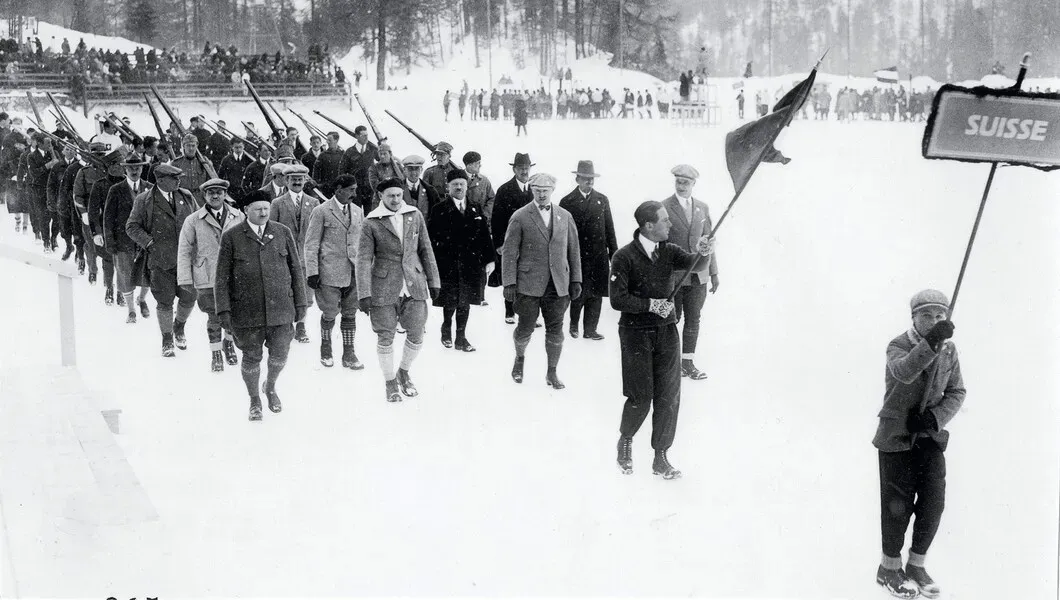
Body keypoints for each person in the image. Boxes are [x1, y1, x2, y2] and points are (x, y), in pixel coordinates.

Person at [610, 200, 715, 480]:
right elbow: (617, 299)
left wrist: (704, 252)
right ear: (648, 226)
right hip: (635, 333)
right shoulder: (624, 257)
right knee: (640, 396)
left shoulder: (669, 250)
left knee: (668, 397)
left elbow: (695, 264)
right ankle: (626, 441)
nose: (670, 224)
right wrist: (650, 305)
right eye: (665, 220)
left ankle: (660, 457)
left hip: (667, 332)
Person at [873, 290, 964, 600]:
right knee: (896, 508)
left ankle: (916, 565)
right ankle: (889, 569)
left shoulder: (949, 351)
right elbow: (904, 371)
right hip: (897, 439)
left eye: (941, 316)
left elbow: (957, 392)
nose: (935, 320)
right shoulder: (898, 345)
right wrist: (930, 344)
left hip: (929, 439)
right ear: (914, 318)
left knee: (932, 504)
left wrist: (934, 418)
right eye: (927, 315)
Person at [215, 190, 307, 420]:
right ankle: (254, 399)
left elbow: (296, 269)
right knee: (251, 357)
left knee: (280, 356)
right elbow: (221, 277)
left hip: (280, 309)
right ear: (246, 210)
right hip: (247, 311)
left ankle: (271, 386)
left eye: (266, 208)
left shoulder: (282, 232)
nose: (264, 212)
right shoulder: (232, 236)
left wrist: (301, 304)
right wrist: (224, 310)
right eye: (258, 208)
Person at [356, 178, 440, 402]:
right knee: (386, 336)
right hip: (383, 286)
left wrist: (434, 281)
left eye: (399, 195)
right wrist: (364, 293)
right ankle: (390, 380)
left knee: (417, 332)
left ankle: (404, 370)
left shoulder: (414, 215)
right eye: (390, 196)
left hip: (414, 284)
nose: (395, 200)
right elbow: (363, 260)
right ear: (381, 196)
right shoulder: (371, 222)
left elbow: (426, 248)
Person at [501, 172, 582, 389]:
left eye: (545, 191)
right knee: (525, 327)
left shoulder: (565, 216)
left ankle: (552, 372)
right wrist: (509, 282)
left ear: (553, 191)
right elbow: (509, 252)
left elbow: (573, 250)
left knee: (556, 329)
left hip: (558, 285)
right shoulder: (520, 216)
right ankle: (519, 360)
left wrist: (575, 279)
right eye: (537, 191)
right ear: (531, 191)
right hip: (528, 283)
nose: (542, 194)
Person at [126, 162, 199, 357]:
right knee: (164, 301)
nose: (178, 181)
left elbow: (199, 220)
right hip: (160, 260)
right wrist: (149, 243)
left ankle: (179, 327)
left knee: (189, 297)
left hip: (186, 259)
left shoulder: (186, 196)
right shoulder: (144, 200)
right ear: (160, 180)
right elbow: (132, 227)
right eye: (174, 178)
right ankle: (167, 339)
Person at [176, 178, 245, 372]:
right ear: (204, 196)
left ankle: (229, 343)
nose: (215, 196)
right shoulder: (193, 220)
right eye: (211, 192)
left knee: (232, 313)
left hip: (233, 275)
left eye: (219, 192)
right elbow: (184, 249)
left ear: (225, 194)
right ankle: (215, 352)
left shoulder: (238, 216)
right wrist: (185, 278)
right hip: (206, 274)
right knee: (213, 316)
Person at [427, 169, 495, 352]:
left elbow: (484, 236)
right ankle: (446, 328)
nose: (459, 187)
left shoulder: (475, 208)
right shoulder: (439, 209)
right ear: (448, 187)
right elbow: (432, 239)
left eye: (462, 184)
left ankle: (461, 337)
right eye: (455, 184)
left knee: (465, 301)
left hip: (471, 264)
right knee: (451, 300)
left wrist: (490, 259)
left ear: (466, 186)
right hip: (448, 265)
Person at [662, 164, 719, 380]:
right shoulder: (664, 207)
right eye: (679, 181)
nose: (682, 186)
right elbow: (659, 243)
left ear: (694, 184)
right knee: (672, 319)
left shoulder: (702, 208)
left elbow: (710, 243)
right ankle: (670, 363)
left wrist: (714, 273)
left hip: (698, 277)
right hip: (674, 276)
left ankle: (687, 363)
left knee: (694, 319)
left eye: (686, 182)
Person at [304, 174, 365, 369]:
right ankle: (326, 346)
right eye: (350, 190)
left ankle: (349, 353)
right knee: (330, 312)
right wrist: (312, 272)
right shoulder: (321, 211)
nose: (354, 194)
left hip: (353, 271)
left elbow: (361, 242)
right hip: (329, 271)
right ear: (338, 189)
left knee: (350, 312)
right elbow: (311, 244)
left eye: (355, 189)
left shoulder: (357, 211)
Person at [558, 160, 617, 341]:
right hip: (578, 255)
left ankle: (590, 329)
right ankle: (574, 325)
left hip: (598, 255)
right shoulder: (567, 201)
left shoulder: (602, 200)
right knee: (578, 291)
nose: (589, 182)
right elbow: (561, 233)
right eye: (585, 178)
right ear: (577, 179)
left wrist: (613, 255)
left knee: (597, 294)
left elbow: (609, 229)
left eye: (591, 178)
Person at [269, 163, 318, 343]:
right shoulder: (277, 203)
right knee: (286, 292)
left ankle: (301, 326)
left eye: (300, 179)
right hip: (285, 256)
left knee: (305, 293)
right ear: (286, 180)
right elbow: (271, 231)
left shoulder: (314, 203)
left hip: (306, 256)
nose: (297, 182)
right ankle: (287, 325)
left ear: (305, 180)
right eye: (293, 179)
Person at [103, 155, 152, 324]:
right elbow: (108, 218)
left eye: (138, 167)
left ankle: (143, 299)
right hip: (123, 241)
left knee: (148, 272)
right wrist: (110, 242)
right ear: (125, 169)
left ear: (142, 168)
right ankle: (131, 310)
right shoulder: (116, 190)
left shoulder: (150, 188)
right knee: (125, 275)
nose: (134, 171)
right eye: (131, 168)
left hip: (145, 241)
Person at [489, 152, 535, 323]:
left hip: (530, 242)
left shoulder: (535, 189)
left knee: (528, 277)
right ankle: (509, 311)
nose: (524, 171)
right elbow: (496, 219)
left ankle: (526, 313)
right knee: (511, 275)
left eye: (526, 168)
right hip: (511, 241)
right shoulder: (504, 190)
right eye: (521, 168)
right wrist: (500, 244)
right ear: (514, 169)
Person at [463, 151, 495, 223]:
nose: (480, 165)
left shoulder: (484, 180)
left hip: (480, 221)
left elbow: (492, 199)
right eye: (478, 163)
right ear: (470, 165)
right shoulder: (459, 179)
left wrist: (485, 215)